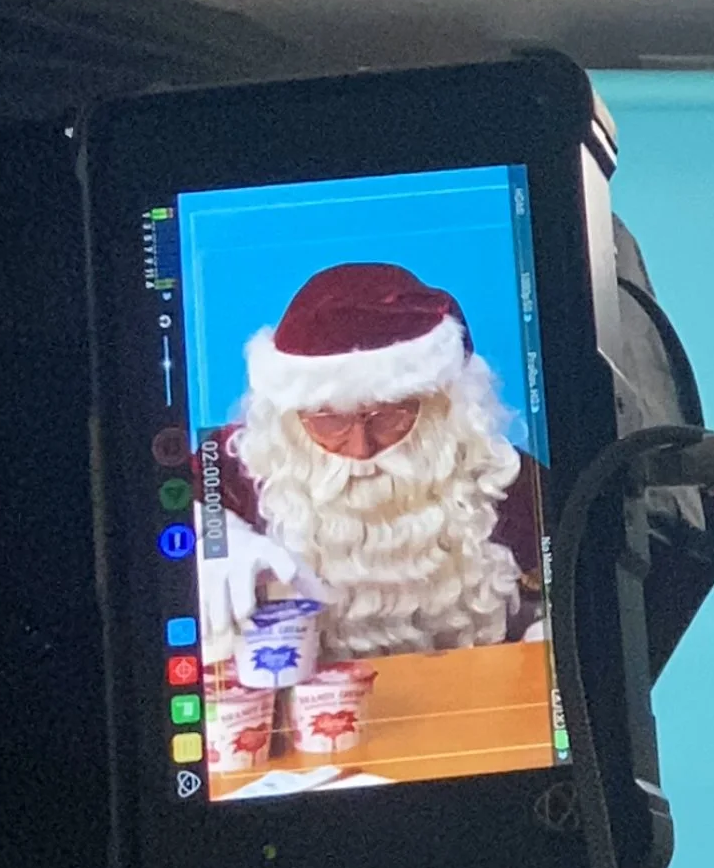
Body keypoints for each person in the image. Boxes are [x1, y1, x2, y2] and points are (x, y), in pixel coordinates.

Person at [202, 259, 545, 660]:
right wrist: (209, 537)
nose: (361, 448)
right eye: (328, 420)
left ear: (443, 408)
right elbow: (155, 503)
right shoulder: (246, 467)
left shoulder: (502, 482)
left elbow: (592, 571)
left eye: (388, 416)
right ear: (290, 421)